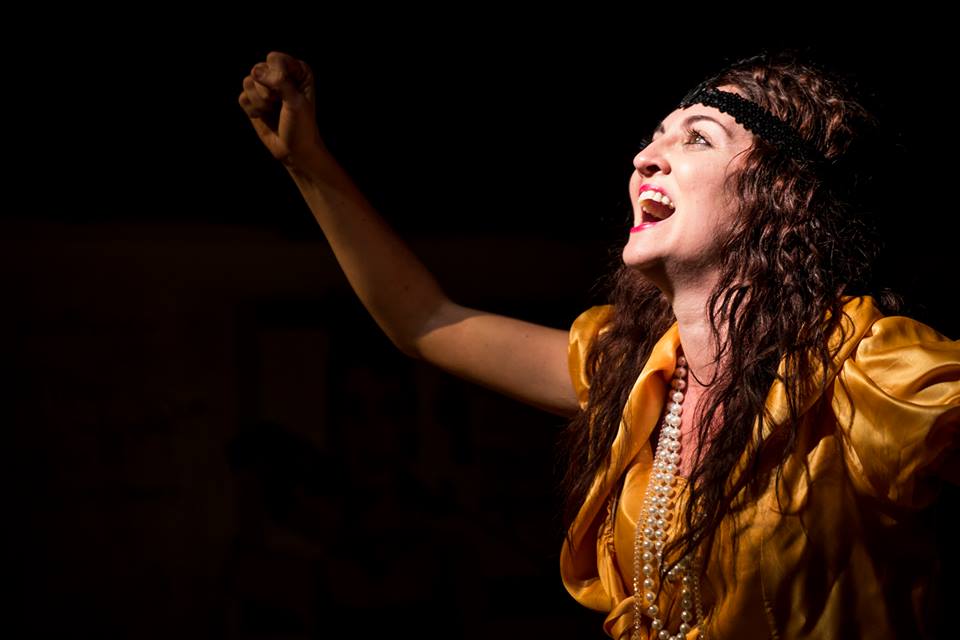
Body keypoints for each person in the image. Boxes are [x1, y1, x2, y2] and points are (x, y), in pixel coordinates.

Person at [239, 49, 960, 639]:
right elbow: (424, 321)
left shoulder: (867, 371)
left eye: (697, 137)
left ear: (782, 196)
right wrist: (308, 162)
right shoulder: (631, 368)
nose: (647, 157)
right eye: (655, 137)